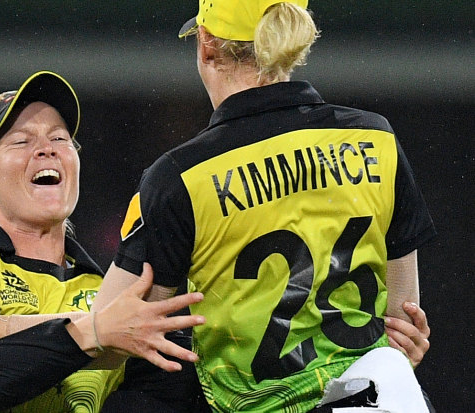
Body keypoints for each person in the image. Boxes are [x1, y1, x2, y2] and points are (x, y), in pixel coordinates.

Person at [88, 0, 437, 411]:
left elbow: (111, 340)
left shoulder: (180, 177)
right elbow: (403, 319)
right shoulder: (375, 138)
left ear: (206, 44)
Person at [0, 70, 206, 413]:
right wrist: (96, 331)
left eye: (60, 139)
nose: (46, 150)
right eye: (21, 141)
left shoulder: (104, 289)